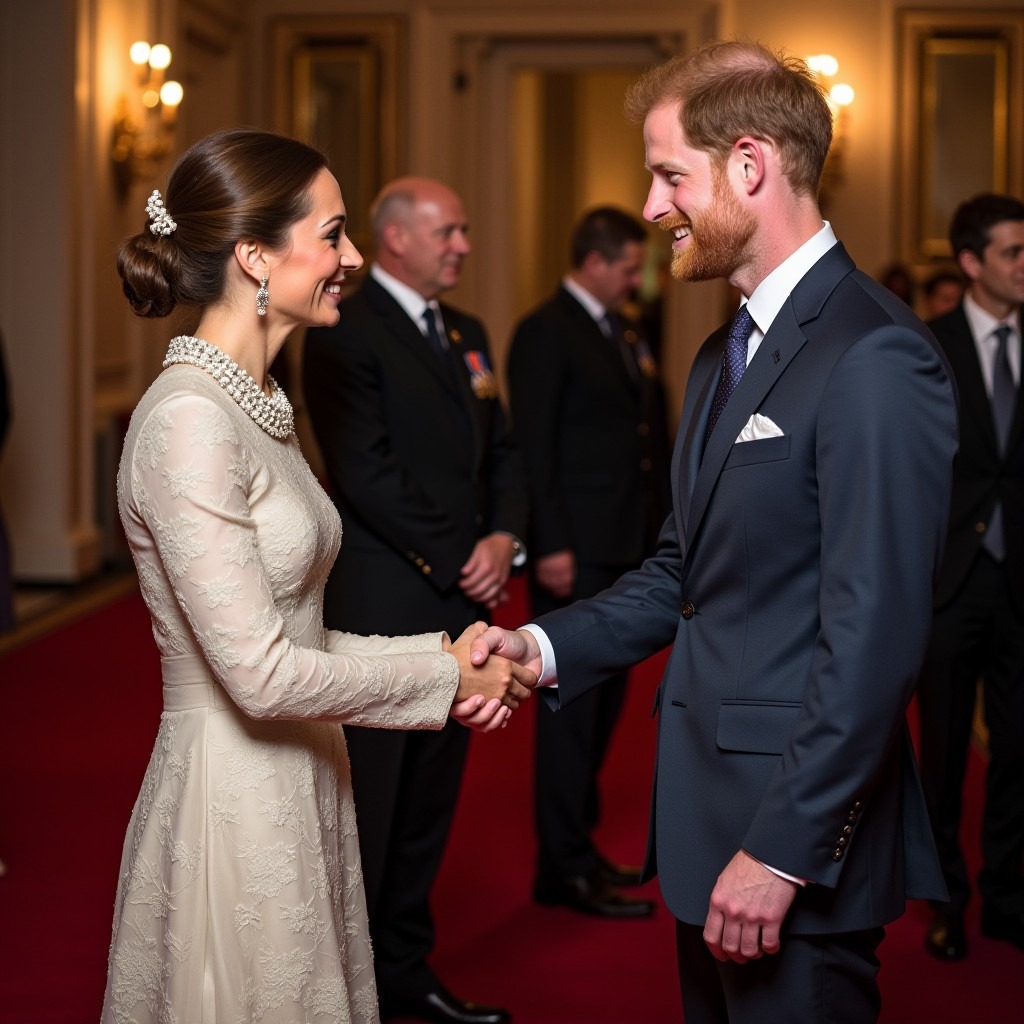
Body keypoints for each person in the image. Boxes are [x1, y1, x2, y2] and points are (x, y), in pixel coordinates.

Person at [471, 40, 959, 1023]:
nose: (652, 210)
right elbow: (680, 571)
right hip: (709, 831)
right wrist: (538, 642)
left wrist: (783, 848)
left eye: (666, 176)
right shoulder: (719, 351)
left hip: (786, 850)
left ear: (748, 165)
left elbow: (875, 638)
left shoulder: (873, 355)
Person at [101, 129, 534, 1024]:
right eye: (333, 236)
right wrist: (444, 676)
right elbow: (258, 673)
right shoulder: (191, 421)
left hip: (302, 773)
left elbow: (298, 633)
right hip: (238, 796)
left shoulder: (255, 402)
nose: (354, 258)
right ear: (257, 257)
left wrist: (444, 649)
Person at [302, 177, 527, 1024]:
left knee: (434, 799)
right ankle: (352, 979)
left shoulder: (467, 332)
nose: (463, 244)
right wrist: (457, 553)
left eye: (466, 229)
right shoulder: (343, 332)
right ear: (395, 239)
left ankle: (403, 968)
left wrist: (505, 540)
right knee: (378, 803)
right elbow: (366, 470)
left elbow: (504, 450)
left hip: (464, 600)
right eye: (450, 230)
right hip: (387, 598)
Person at [507, 206, 670, 918]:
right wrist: (549, 545)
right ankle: (562, 866)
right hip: (575, 550)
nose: (639, 279)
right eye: (631, 267)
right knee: (568, 716)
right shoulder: (546, 332)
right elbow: (533, 449)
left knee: (603, 712)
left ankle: (579, 848)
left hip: (624, 544)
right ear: (595, 261)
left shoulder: (624, 329)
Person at [917, 193, 1024, 962]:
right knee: (945, 754)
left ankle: (1009, 897)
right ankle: (945, 897)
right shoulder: (928, 346)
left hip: (1021, 583)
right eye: (1014, 252)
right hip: (950, 582)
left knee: (1017, 751)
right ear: (971, 263)